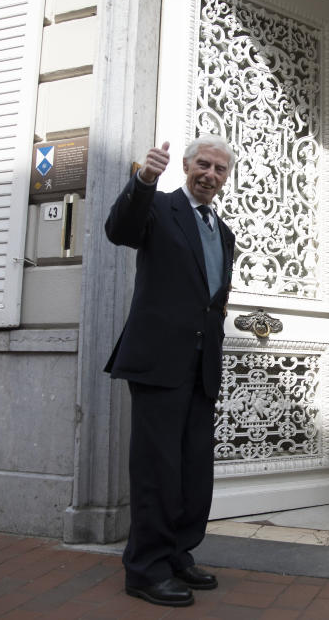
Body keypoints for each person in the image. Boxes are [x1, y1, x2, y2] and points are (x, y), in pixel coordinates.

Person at [104, 135, 236, 608]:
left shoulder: (224, 232)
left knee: (191, 471)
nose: (211, 175)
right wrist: (143, 180)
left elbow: (211, 300)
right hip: (159, 362)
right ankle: (145, 567)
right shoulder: (158, 207)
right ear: (185, 165)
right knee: (157, 471)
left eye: (220, 170)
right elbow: (119, 229)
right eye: (204, 164)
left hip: (201, 368)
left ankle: (178, 552)